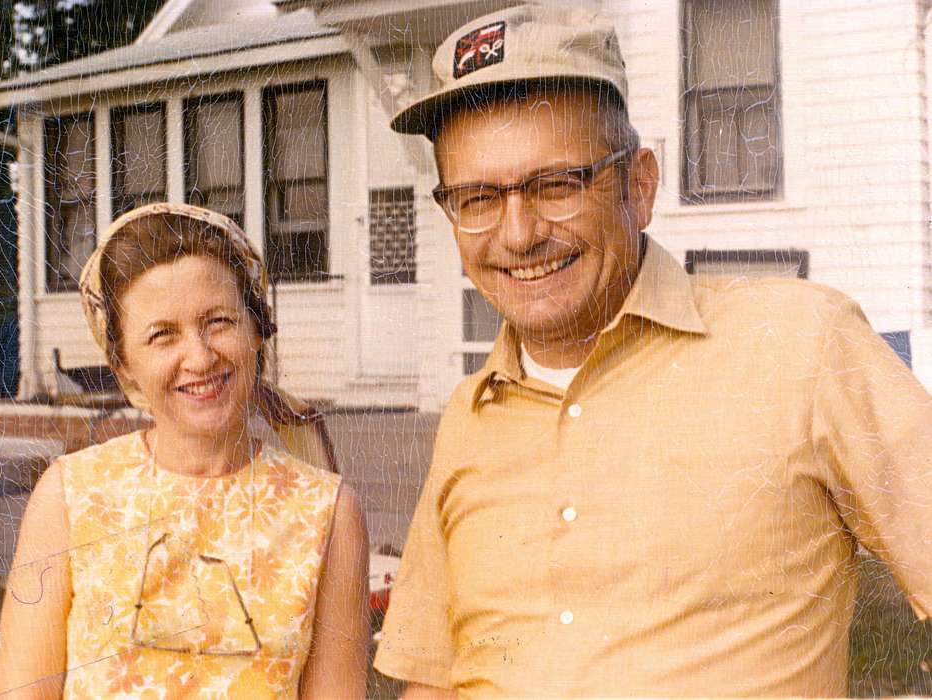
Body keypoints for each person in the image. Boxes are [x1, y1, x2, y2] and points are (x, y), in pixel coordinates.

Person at [373, 4, 932, 697]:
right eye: (477, 197)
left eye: (555, 185)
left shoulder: (800, 346)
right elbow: (433, 679)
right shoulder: (470, 416)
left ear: (638, 185)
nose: (516, 234)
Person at [0, 203, 369, 699]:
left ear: (256, 330)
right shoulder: (68, 497)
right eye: (162, 335)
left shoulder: (330, 513)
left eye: (218, 321)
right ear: (124, 364)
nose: (199, 356)